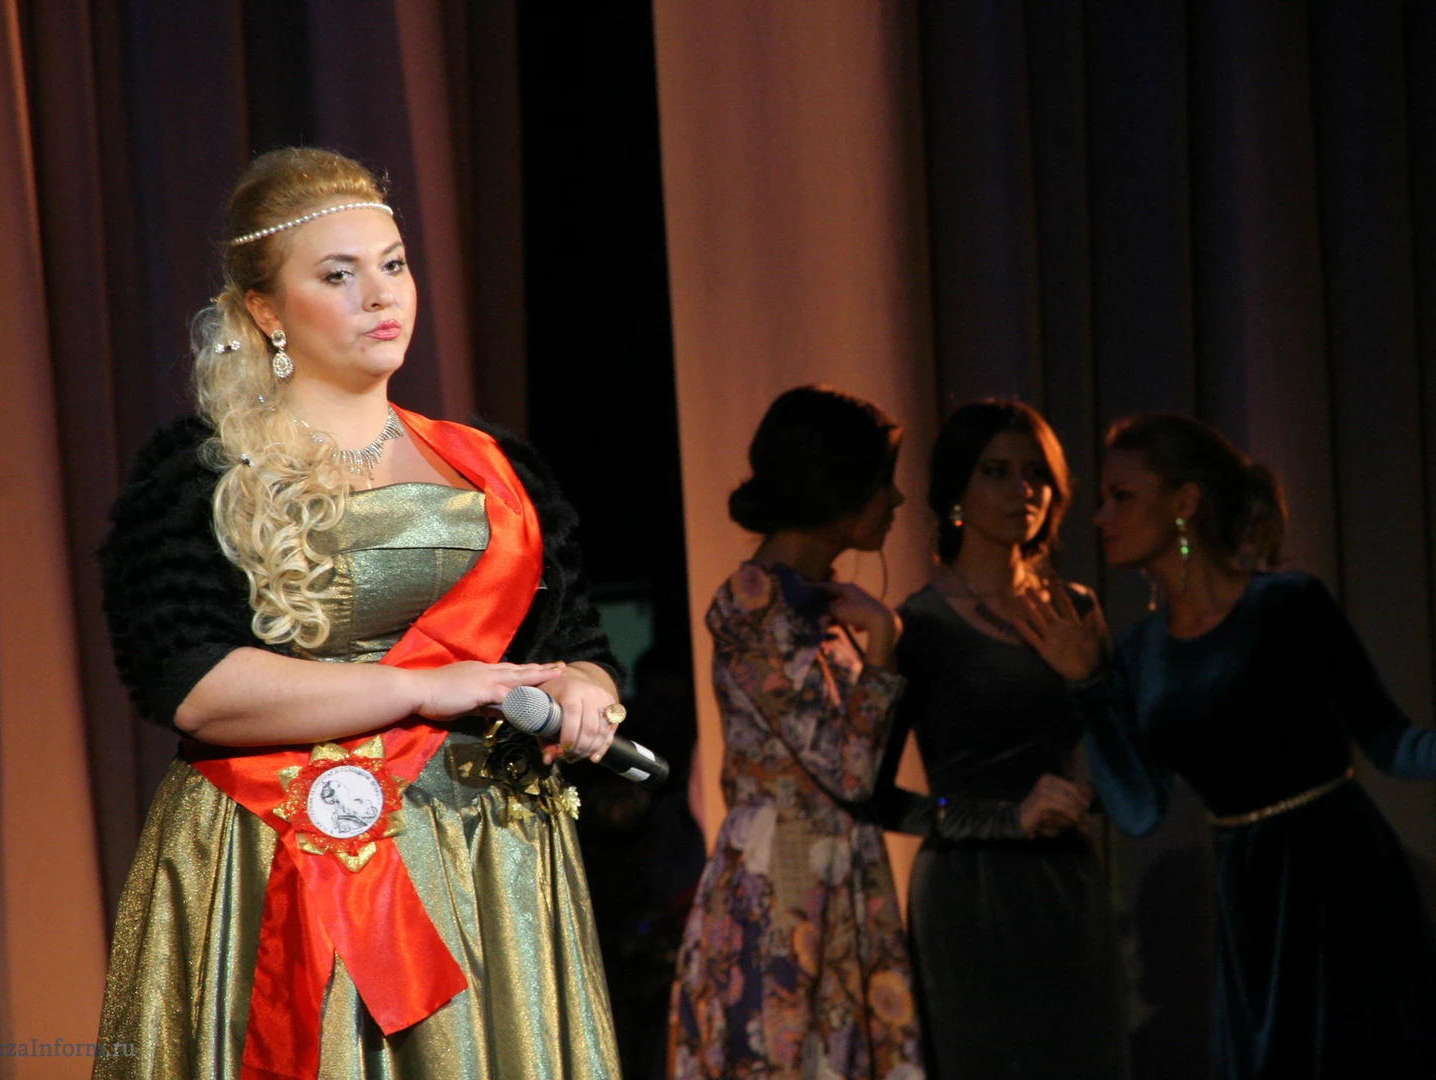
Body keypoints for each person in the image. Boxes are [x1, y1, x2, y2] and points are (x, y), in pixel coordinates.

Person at [94, 147, 625, 1079]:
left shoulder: (495, 466)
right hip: (286, 843)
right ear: (266, 311)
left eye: (394, 264)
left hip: (489, 859)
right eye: (338, 275)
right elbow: (195, 687)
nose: (382, 296)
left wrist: (586, 690)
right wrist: (424, 688)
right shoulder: (200, 473)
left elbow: (575, 645)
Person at [1013, 413, 1436, 1080]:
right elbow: (1139, 809)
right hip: (1248, 891)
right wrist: (1088, 686)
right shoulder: (1140, 655)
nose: (1101, 517)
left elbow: (1387, 739)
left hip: (1339, 877)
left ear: (1185, 502)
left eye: (1123, 496)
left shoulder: (1287, 605)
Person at [667, 386, 923, 1080]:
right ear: (839, 490)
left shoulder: (829, 604)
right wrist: (885, 641)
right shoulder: (753, 604)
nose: (897, 500)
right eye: (883, 481)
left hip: (837, 874)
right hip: (782, 889)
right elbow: (850, 771)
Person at [872, 399, 1130, 1079]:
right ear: (955, 492)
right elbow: (874, 796)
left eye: (1037, 473)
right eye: (997, 472)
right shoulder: (919, 625)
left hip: (1065, 881)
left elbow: (1129, 769)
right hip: (968, 894)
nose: (1024, 490)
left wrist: (1087, 696)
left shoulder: (1076, 607)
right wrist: (1005, 819)